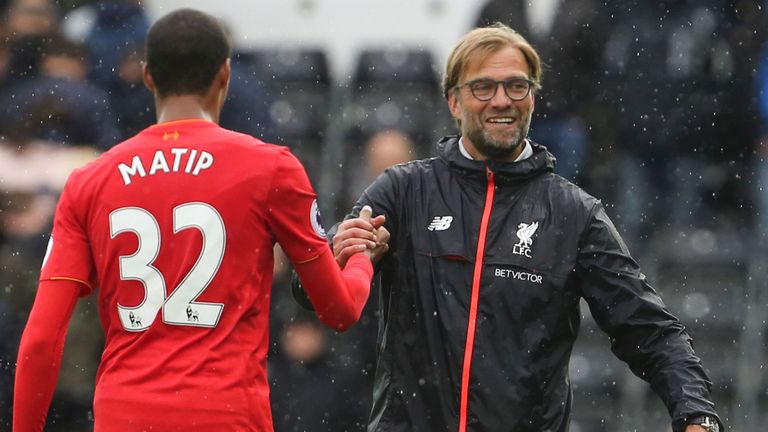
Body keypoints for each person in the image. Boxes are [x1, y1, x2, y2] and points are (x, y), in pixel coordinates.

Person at [320, 23, 722, 432]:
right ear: (454, 102)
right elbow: (314, 287)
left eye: (517, 86)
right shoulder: (403, 191)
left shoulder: (573, 213)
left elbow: (648, 329)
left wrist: (697, 414)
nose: (502, 101)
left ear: (532, 97)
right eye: (483, 88)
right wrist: (340, 255)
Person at [13, 8, 387, 432]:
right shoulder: (271, 168)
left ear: (149, 75)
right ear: (225, 74)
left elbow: (42, 340)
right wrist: (359, 259)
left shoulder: (90, 180)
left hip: (126, 415)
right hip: (226, 413)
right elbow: (338, 310)